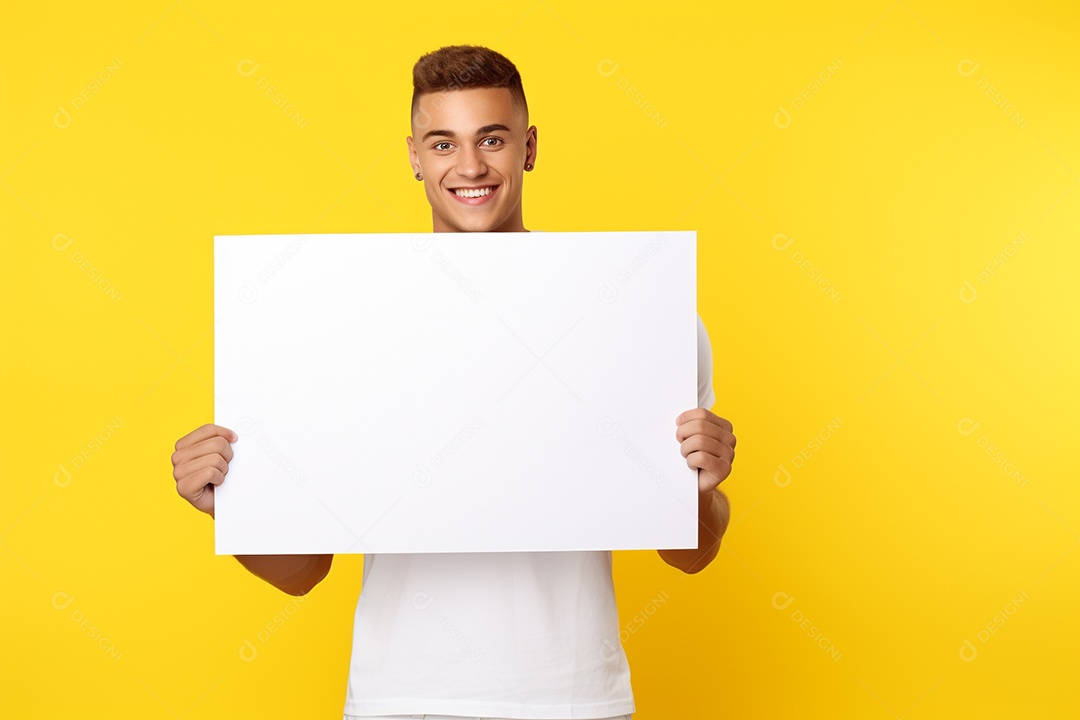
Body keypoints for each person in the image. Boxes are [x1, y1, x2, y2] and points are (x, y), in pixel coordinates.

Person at [171, 44, 736, 720]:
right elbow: (303, 572)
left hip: (576, 699)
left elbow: (690, 554)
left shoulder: (635, 311)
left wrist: (698, 491)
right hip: (398, 698)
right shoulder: (342, 320)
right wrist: (231, 505)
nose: (469, 167)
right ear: (414, 155)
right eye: (444, 143)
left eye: (491, 139)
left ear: (528, 148)